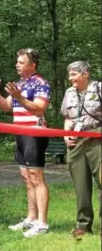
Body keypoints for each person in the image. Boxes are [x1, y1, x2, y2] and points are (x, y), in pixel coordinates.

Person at [0, 48, 50, 237]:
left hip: (34, 133)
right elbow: (6, 106)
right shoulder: (20, 83)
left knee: (36, 177)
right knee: (26, 177)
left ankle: (43, 224)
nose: (17, 65)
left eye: (21, 62)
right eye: (17, 62)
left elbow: (39, 109)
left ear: (32, 65)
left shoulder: (41, 83)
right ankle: (31, 219)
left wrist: (20, 97)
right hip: (20, 133)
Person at [60, 61, 102, 239]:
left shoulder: (99, 88)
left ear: (85, 74)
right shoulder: (69, 93)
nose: (71, 78)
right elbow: (68, 118)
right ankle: (83, 225)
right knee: (80, 184)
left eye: (74, 74)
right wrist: (66, 134)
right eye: (69, 75)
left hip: (97, 137)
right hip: (75, 140)